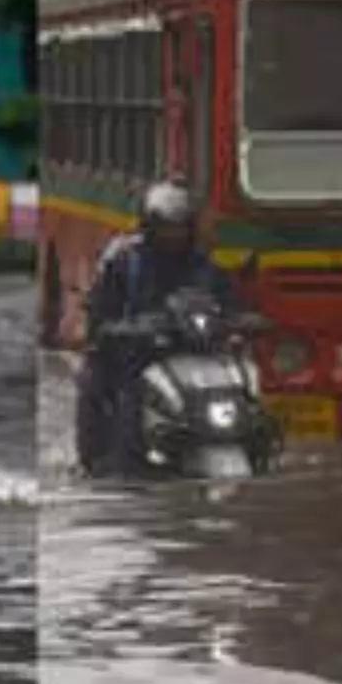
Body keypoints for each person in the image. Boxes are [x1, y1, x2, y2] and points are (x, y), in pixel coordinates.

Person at [73, 179, 239, 472]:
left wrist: (240, 321)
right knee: (99, 383)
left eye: (180, 227)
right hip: (136, 358)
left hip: (193, 355)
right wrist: (117, 328)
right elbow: (99, 313)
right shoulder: (124, 263)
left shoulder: (205, 266)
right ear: (150, 227)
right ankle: (105, 462)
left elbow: (229, 303)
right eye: (166, 227)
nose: (173, 235)